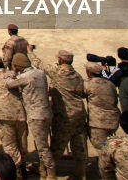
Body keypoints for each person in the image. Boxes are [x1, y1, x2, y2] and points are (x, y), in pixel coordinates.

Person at [30, 48, 87, 179]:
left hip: (65, 114)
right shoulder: (78, 75)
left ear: (60, 60)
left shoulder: (57, 71)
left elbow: (38, 64)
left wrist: (30, 51)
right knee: (79, 146)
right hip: (79, 113)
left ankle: (46, 170)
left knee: (57, 145)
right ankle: (81, 172)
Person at [4, 53, 53, 180]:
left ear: (17, 65)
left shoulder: (25, 76)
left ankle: (51, 174)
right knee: (41, 143)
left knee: (42, 147)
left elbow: (9, 84)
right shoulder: (40, 73)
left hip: (36, 115)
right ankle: (43, 171)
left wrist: (12, 72)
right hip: (47, 112)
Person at [0, 56, 26, 173]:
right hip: (19, 112)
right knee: (22, 143)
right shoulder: (12, 74)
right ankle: (23, 166)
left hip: (3, 115)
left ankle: (16, 172)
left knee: (10, 146)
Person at [84, 61, 120, 151]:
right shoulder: (110, 84)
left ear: (88, 72)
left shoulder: (88, 84)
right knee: (108, 144)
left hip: (99, 122)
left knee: (101, 147)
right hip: (113, 120)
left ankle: (107, 163)